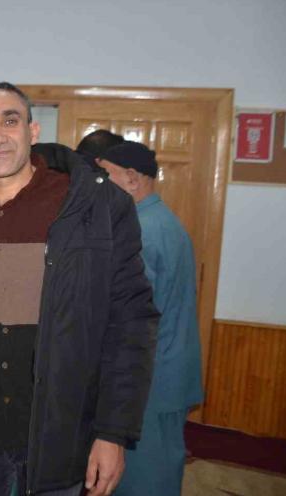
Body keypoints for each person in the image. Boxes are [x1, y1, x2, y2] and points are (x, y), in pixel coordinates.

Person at [0, 82, 159, 496]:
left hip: (60, 430)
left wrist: (112, 433)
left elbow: (130, 323)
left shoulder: (93, 206)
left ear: (33, 131)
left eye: (10, 121)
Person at [97, 142, 203, 496]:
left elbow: (132, 318)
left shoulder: (139, 231)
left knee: (143, 480)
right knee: (161, 468)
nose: (99, 186)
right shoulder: (162, 220)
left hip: (150, 379)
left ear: (131, 178)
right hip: (168, 370)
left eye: (105, 176)